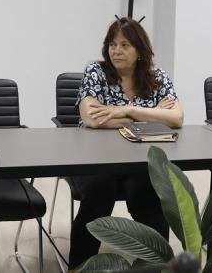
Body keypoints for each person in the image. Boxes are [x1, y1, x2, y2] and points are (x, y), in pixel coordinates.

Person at [68, 17, 184, 269]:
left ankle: (155, 265)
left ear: (140, 51)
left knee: (148, 194)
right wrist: (152, 114)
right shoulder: (96, 72)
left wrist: (125, 110)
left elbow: (176, 118)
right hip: (94, 159)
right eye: (112, 44)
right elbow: (92, 119)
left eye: (124, 45)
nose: (116, 51)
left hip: (139, 160)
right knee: (100, 190)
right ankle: (78, 267)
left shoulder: (157, 76)